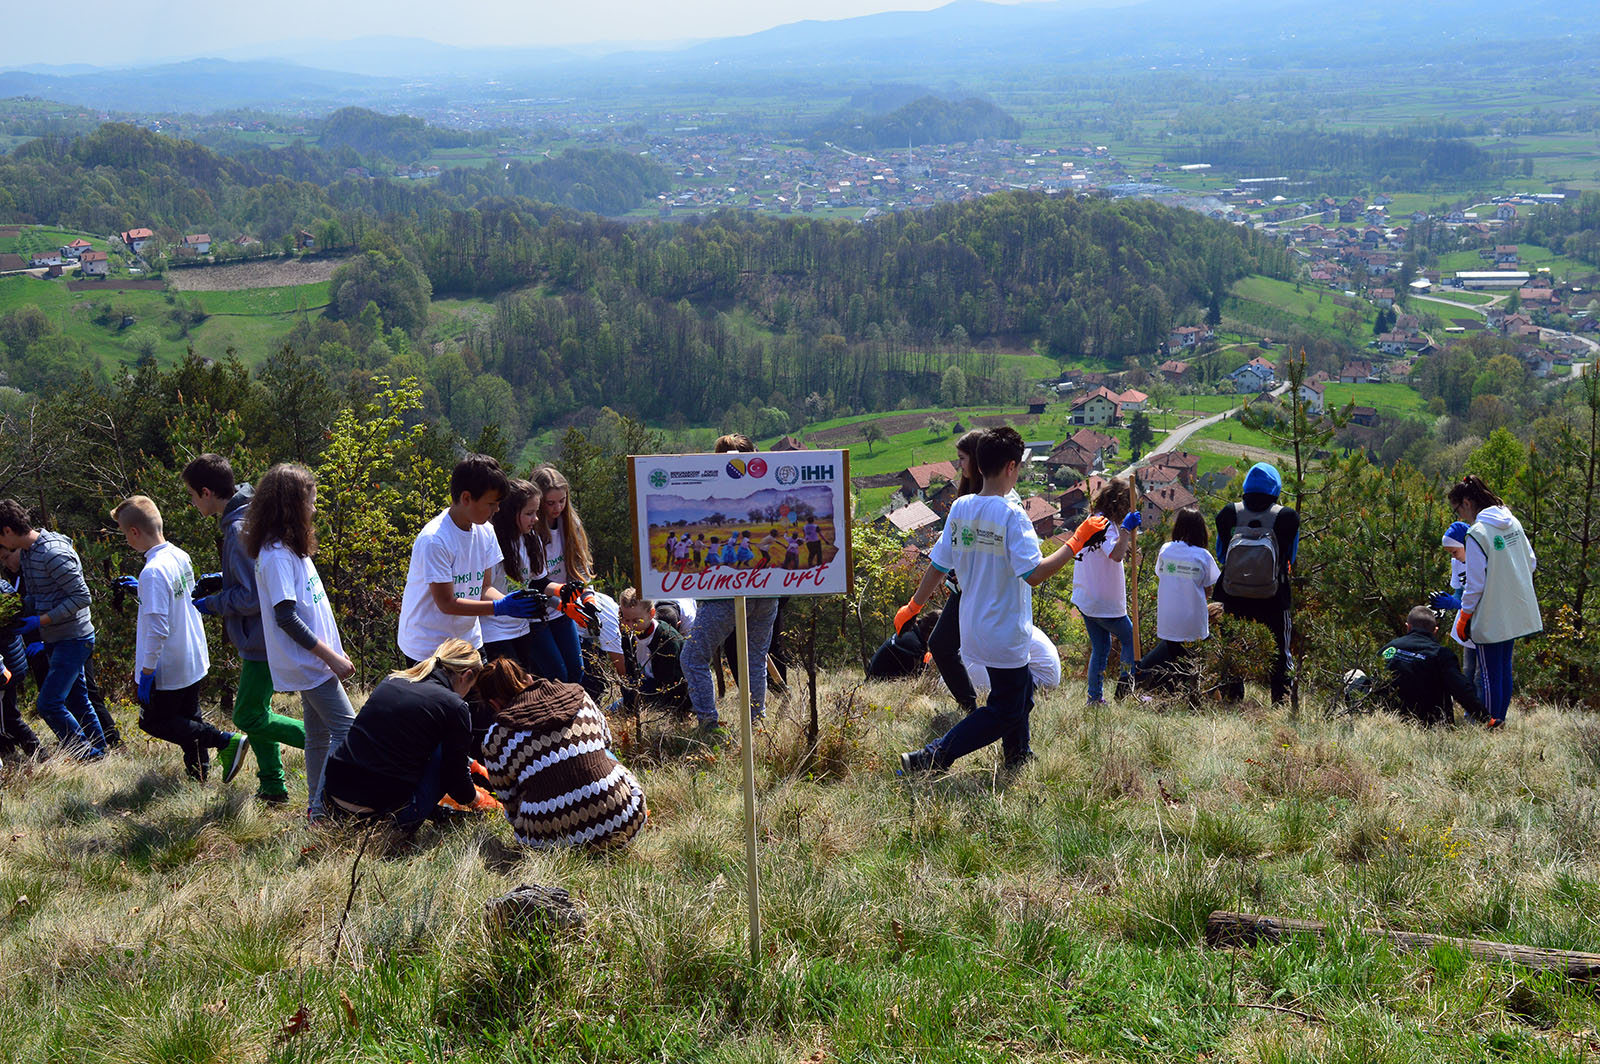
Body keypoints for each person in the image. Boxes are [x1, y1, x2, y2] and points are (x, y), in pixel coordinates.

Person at [899, 427, 1079, 773]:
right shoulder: (1012, 515)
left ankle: (1018, 755)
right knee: (1005, 708)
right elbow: (1035, 574)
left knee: (1020, 692)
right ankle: (933, 756)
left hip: (973, 625)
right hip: (1004, 628)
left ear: (979, 465)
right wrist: (1074, 543)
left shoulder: (961, 507)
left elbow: (938, 564)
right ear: (1011, 466)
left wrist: (914, 605)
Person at [184, 453, 306, 804]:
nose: (193, 503)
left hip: (263, 639)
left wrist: (212, 603)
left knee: (248, 715)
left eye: (192, 495)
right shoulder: (246, 517)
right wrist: (221, 580)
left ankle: (333, 740)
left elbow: (253, 596)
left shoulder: (237, 528)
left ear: (207, 492)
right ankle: (272, 786)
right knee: (259, 712)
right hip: (262, 637)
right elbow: (256, 576)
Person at [244, 463, 359, 818]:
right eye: (310, 501)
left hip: (314, 661)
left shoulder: (292, 549)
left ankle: (315, 807)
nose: (314, 508)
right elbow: (286, 617)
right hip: (309, 663)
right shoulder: (277, 555)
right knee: (347, 729)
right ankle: (322, 810)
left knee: (319, 735)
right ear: (291, 505)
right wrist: (332, 658)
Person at [112, 495, 247, 782]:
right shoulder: (178, 554)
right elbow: (177, 599)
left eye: (125, 534)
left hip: (168, 664)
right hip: (192, 654)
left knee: (155, 721)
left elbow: (157, 628)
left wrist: (146, 672)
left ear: (134, 531)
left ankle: (225, 740)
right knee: (188, 718)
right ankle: (199, 777)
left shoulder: (152, 571)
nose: (127, 540)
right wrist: (142, 591)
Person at [894, 430, 1017, 720]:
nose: (958, 465)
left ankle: (996, 719)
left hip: (987, 591)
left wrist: (915, 606)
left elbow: (943, 559)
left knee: (987, 655)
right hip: (965, 590)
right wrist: (915, 605)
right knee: (942, 645)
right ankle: (973, 710)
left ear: (977, 460)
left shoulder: (999, 501)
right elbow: (943, 558)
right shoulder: (967, 499)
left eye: (962, 459)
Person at [474, 657, 647, 850]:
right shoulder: (580, 696)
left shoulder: (497, 737)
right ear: (529, 679)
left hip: (548, 840)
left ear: (494, 704)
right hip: (622, 821)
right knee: (604, 756)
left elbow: (509, 800)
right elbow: (606, 741)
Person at [322, 639, 483, 831]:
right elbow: (455, 780)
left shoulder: (392, 680)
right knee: (443, 754)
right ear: (466, 676)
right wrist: (480, 801)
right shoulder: (454, 706)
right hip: (382, 814)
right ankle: (400, 823)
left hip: (332, 800)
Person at [399, 455, 543, 667]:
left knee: (482, 700)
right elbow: (446, 603)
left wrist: (513, 602)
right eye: (491, 503)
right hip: (428, 647)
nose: (497, 510)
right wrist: (499, 607)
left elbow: (483, 587)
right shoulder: (435, 540)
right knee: (442, 701)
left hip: (468, 641)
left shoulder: (485, 531)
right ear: (466, 498)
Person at [681, 434, 782, 735]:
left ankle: (710, 726)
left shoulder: (716, 492)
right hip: (766, 590)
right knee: (754, 659)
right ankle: (757, 725)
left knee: (693, 656)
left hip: (725, 592)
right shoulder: (766, 491)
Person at [0, 499, 108, 760]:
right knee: (77, 699)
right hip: (58, 637)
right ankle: (101, 751)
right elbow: (39, 595)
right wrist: (16, 609)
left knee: (48, 703)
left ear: (6, 530)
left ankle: (85, 754)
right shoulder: (29, 553)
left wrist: (41, 621)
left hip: (74, 638)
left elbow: (82, 597)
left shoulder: (53, 553)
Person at [1447, 474, 1540, 729]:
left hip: (1489, 613)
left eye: (1457, 510)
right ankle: (1500, 719)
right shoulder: (1513, 523)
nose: (1459, 517)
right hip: (1514, 608)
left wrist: (1464, 617)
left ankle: (1488, 723)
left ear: (1467, 502)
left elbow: (1475, 585)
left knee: (1488, 673)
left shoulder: (1477, 533)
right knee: (1503, 669)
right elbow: (1530, 562)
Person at [1214, 462, 1300, 704]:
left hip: (1232, 594)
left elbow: (1222, 555)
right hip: (1274, 596)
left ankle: (1232, 697)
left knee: (1230, 646)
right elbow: (1290, 557)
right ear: (1276, 488)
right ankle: (1280, 700)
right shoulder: (1287, 517)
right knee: (1280, 651)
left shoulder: (1228, 513)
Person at [1066, 478, 1142, 705]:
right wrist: (1126, 531)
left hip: (1086, 599)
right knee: (1130, 639)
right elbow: (1116, 554)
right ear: (1120, 503)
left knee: (1101, 647)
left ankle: (1095, 697)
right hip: (1104, 603)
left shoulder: (1092, 520)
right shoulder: (1107, 526)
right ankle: (1125, 688)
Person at [1134, 506, 1221, 694]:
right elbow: (1209, 588)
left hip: (1168, 621)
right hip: (1193, 622)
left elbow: (1161, 575)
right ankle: (1195, 694)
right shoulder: (1203, 556)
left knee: (1172, 655)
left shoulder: (1165, 550)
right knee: (1194, 660)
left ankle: (1170, 691)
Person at [530, 465, 594, 683]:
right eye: (550, 503)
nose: (557, 508)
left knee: (577, 672)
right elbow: (531, 583)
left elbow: (577, 567)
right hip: (537, 613)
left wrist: (587, 598)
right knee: (556, 674)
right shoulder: (530, 531)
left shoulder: (570, 524)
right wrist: (561, 602)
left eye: (562, 501)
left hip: (564, 609)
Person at [1376, 606, 1488, 726]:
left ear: (1408, 627)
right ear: (1435, 630)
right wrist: (1486, 718)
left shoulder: (1389, 648)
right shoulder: (1442, 655)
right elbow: (1462, 691)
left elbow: (1374, 679)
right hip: (1430, 724)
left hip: (1387, 719)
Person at [481, 479, 546, 673]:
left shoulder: (531, 540)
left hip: (521, 627)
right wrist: (508, 604)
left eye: (536, 512)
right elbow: (484, 588)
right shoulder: (491, 542)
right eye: (529, 514)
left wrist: (559, 597)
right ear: (510, 513)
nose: (535, 519)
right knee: (509, 689)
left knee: (525, 684)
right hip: (494, 631)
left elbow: (538, 580)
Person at [619, 588, 691, 718]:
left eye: (636, 621)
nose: (630, 626)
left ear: (652, 613)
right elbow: (629, 671)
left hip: (667, 692)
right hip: (642, 686)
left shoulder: (667, 638)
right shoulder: (627, 636)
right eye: (626, 619)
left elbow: (671, 683)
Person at [0, 546, 41, 762]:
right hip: (11, 663)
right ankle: (8, 755)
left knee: (10, 717)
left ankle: (40, 755)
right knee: (6, 715)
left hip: (5, 666)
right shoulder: (4, 585)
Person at [1430, 520, 1479, 689]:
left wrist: (1455, 603)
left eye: (1455, 551)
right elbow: (1459, 591)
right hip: (1466, 626)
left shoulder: (1479, 561)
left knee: (1481, 674)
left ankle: (1484, 712)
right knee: (1468, 669)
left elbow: (1480, 598)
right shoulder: (1457, 562)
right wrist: (1445, 602)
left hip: (1482, 621)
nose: (1453, 555)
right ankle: (1470, 711)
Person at [964, 624, 1061, 696]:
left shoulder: (993, 629)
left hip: (1038, 677)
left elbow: (981, 680)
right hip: (1049, 676)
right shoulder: (1009, 622)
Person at [866, 609, 941, 680]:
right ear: (933, 629)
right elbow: (918, 677)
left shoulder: (911, 632)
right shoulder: (912, 644)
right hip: (880, 682)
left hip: (876, 677)